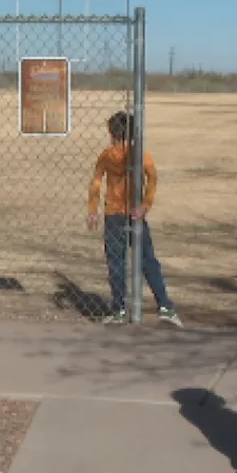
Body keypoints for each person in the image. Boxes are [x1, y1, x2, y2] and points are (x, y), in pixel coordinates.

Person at [86, 110, 182, 327]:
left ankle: (119, 309)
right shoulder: (140, 154)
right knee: (148, 261)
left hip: (114, 215)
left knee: (116, 263)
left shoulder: (107, 155)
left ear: (111, 133)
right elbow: (153, 178)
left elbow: (96, 183)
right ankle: (165, 307)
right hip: (134, 214)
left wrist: (93, 210)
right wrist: (145, 206)